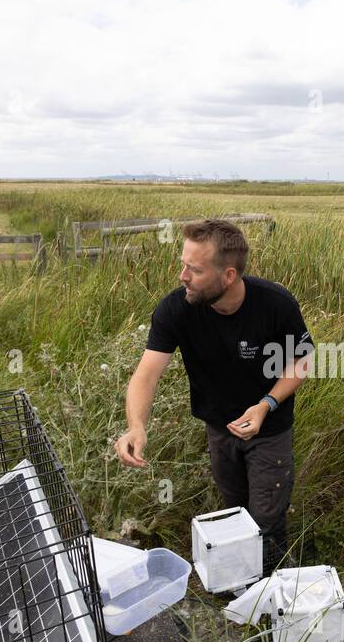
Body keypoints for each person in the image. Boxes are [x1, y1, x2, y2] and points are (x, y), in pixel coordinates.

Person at [114, 218, 313, 578]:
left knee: (267, 523)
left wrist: (266, 405)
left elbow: (302, 361)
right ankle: (240, 584)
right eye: (182, 264)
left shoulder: (275, 305)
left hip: (270, 433)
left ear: (229, 275)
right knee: (235, 513)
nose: (182, 276)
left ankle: (271, 594)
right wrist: (136, 427)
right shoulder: (175, 309)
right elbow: (146, 374)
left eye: (195, 269)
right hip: (219, 429)